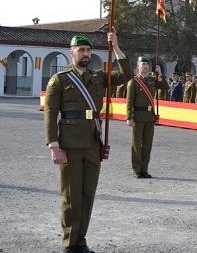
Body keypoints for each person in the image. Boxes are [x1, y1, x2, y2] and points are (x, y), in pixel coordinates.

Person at [44, 33, 132, 253]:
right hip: (69, 144)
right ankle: (69, 242)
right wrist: (53, 145)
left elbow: (127, 74)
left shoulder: (98, 77)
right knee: (71, 194)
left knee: (87, 193)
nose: (86, 54)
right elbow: (50, 113)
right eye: (81, 50)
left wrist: (117, 47)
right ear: (71, 52)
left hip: (93, 142)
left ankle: (81, 239)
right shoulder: (60, 79)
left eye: (88, 51)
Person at [126, 57, 165, 179]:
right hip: (138, 116)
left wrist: (160, 74)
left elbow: (165, 87)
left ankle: (144, 170)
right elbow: (129, 101)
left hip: (149, 117)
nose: (145, 66)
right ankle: (136, 170)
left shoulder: (152, 80)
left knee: (148, 144)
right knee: (137, 145)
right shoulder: (133, 81)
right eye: (143, 64)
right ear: (138, 66)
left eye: (147, 64)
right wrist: (129, 117)